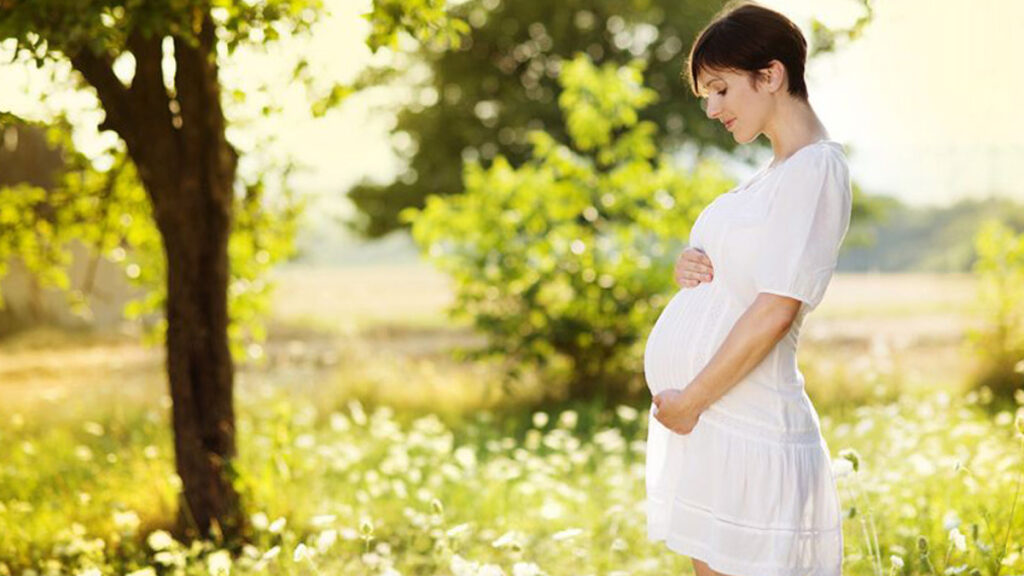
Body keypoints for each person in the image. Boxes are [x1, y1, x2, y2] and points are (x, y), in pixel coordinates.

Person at [642, 2, 852, 576]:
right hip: (720, 427)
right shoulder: (773, 176)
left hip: (746, 425)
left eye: (721, 89)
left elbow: (776, 309)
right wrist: (693, 266)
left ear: (771, 75)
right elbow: (742, 281)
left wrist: (692, 400)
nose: (712, 109)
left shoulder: (815, 170)